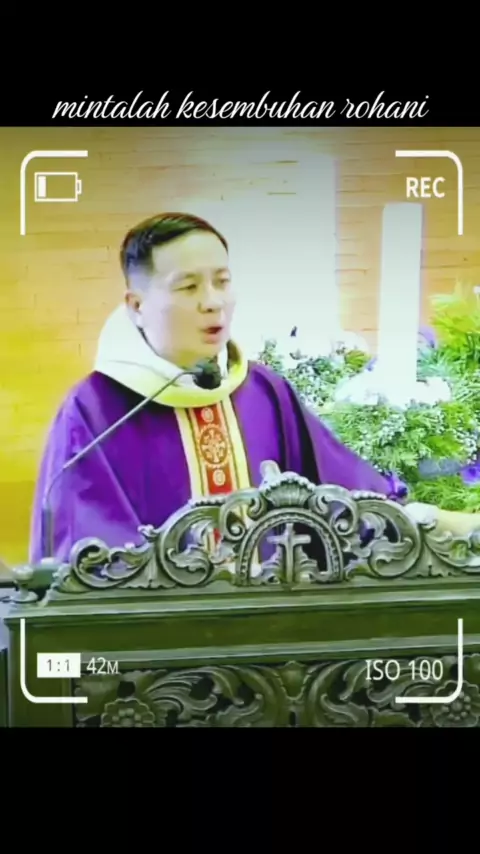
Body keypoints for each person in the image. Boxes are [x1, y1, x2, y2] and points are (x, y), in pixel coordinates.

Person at [29, 213, 477, 564]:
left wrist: (440, 523)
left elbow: (351, 502)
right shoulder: (96, 411)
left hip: (273, 637)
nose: (213, 301)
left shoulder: (263, 392)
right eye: (188, 286)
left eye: (222, 282)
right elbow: (86, 553)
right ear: (137, 305)